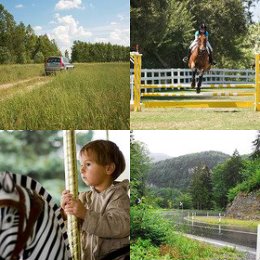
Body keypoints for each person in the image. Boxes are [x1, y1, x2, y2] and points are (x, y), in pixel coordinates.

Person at [61, 140, 130, 260]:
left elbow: (119, 227)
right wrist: (64, 211)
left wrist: (85, 214)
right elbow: (70, 229)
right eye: (81, 164)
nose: (82, 170)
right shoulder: (83, 198)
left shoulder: (118, 196)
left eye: (88, 164)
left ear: (108, 168)